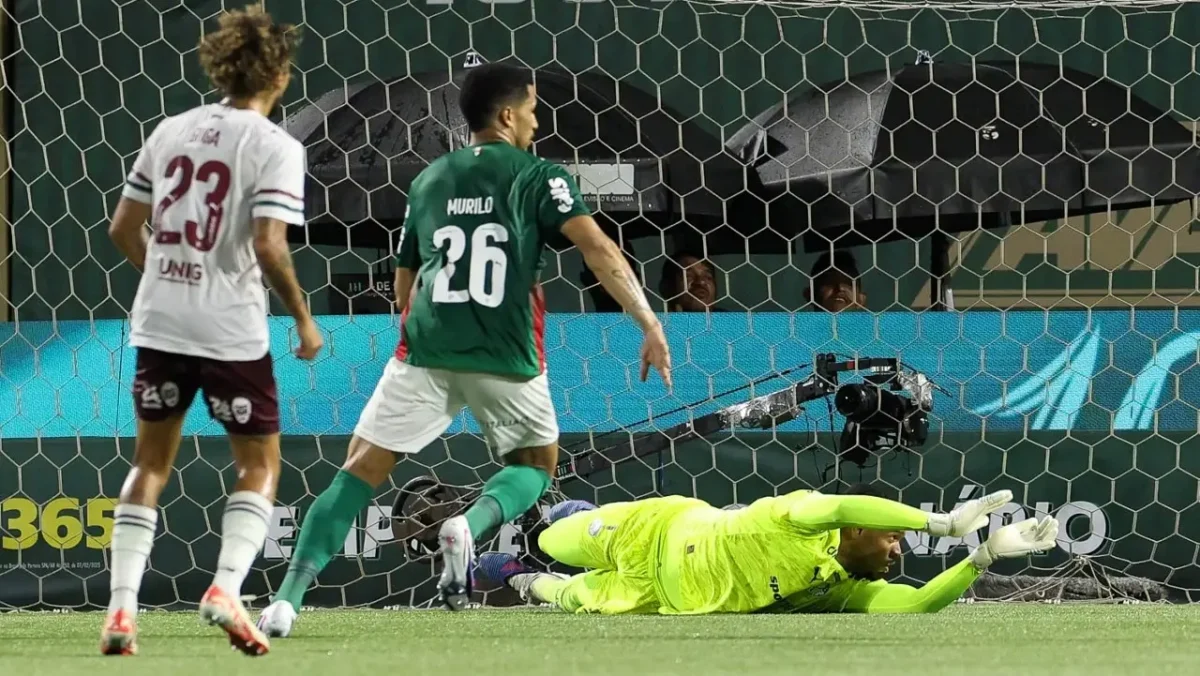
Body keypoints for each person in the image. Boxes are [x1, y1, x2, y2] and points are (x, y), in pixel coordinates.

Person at [256, 61, 673, 636]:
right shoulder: (540, 176)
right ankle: (467, 526)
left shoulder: (429, 180)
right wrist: (648, 322)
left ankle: (285, 600)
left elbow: (403, 285)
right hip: (505, 351)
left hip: (425, 349)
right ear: (506, 115)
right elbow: (599, 249)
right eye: (529, 107)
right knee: (534, 464)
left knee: (357, 470)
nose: (535, 118)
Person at [100, 5, 320, 657]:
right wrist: (303, 319)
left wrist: (167, 274)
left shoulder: (170, 130)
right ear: (278, 74)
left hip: (161, 320)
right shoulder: (277, 146)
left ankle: (119, 613)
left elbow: (120, 228)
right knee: (258, 466)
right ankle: (225, 589)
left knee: (148, 465)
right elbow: (270, 244)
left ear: (220, 66)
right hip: (230, 329)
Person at [479, 485, 1059, 615]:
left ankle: (515, 578)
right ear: (859, 529)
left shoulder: (841, 591)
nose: (899, 549)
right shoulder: (801, 516)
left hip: (662, 597)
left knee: (565, 594)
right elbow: (836, 506)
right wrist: (945, 523)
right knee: (554, 537)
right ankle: (567, 513)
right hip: (652, 529)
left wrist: (982, 556)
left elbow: (914, 607)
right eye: (893, 536)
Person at [658, 251, 723, 312]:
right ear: (666, 288)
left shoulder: (729, 320)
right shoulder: (656, 322)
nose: (701, 282)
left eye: (707, 277)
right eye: (689, 276)